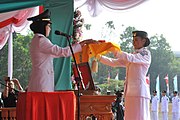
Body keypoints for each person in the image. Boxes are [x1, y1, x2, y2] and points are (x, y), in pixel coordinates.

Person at [27, 9, 97, 92]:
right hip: (42, 82)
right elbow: (63, 52)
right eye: (48, 26)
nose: (49, 29)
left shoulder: (36, 40)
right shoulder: (41, 40)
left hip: (41, 80)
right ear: (43, 27)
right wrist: (83, 43)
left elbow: (58, 53)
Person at [97, 30, 151, 120]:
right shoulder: (133, 55)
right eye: (133, 40)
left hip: (139, 92)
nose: (134, 43)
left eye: (136, 40)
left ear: (144, 41)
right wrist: (99, 57)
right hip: (129, 92)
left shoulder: (145, 53)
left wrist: (114, 51)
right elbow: (114, 62)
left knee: (140, 117)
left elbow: (130, 58)